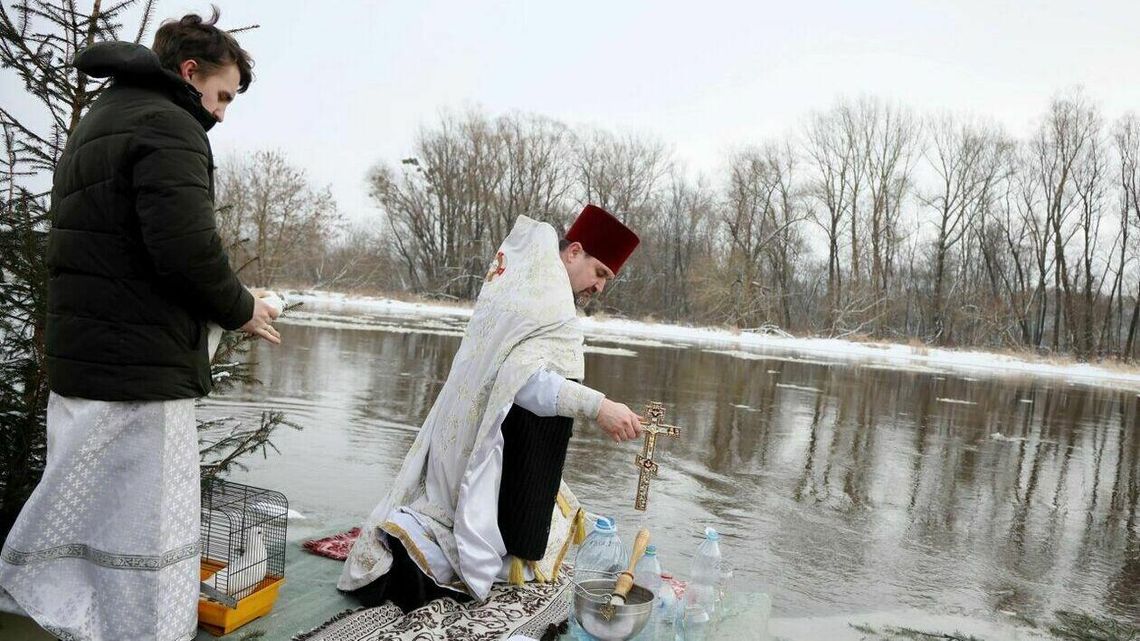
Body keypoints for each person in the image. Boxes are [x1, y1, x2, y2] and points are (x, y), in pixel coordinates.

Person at [0, 9, 278, 641]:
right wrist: (242, 308)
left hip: (88, 360)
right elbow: (184, 251)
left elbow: (119, 245)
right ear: (189, 72)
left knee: (82, 515)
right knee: (147, 525)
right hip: (139, 374)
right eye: (223, 95)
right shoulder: (170, 125)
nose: (223, 112)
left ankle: (67, 620)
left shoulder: (101, 119)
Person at [338, 204, 645, 612]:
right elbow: (523, 384)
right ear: (574, 252)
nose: (600, 287)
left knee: (541, 512)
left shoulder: (524, 281)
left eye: (608, 279)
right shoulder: (546, 300)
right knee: (474, 533)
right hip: (481, 438)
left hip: (465, 428)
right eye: (600, 272)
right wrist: (599, 406)